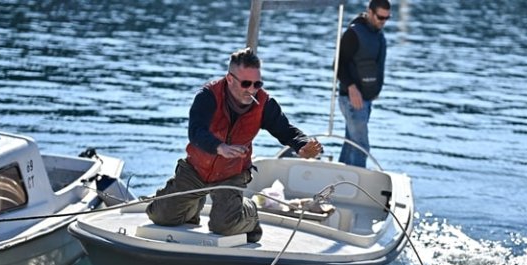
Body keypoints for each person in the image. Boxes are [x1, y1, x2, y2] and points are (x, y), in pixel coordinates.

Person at [145, 48, 323, 243]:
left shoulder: (264, 103)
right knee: (160, 216)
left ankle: (250, 213)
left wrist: (302, 145)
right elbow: (196, 132)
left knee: (222, 226)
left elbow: (285, 130)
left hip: (232, 173)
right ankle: (190, 208)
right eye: (246, 83)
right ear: (230, 79)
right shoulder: (208, 96)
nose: (252, 89)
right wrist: (219, 147)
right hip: (195, 169)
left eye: (257, 84)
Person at [336, 0, 390, 167]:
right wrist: (352, 87)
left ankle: (339, 183)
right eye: (380, 17)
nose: (383, 22)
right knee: (361, 146)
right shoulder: (354, 34)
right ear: (370, 12)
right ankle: (356, 189)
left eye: (387, 18)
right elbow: (337, 65)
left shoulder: (377, 34)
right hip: (352, 100)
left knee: (350, 144)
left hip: (365, 101)